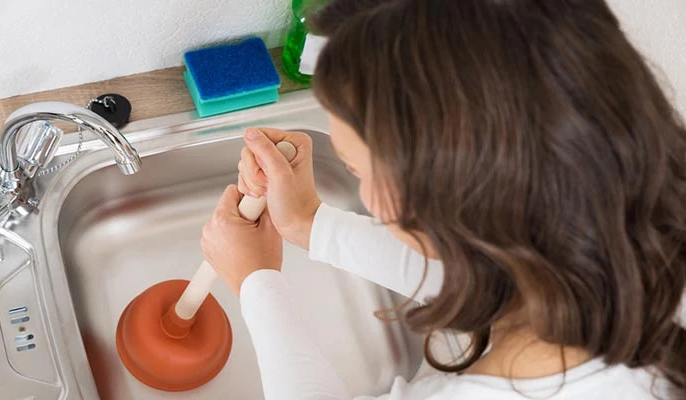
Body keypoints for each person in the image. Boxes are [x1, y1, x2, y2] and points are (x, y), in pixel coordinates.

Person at [199, 0, 686, 398]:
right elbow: (485, 274)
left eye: (355, 168)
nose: (356, 181)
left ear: (444, 200)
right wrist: (308, 223)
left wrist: (257, 285)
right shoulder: (619, 227)